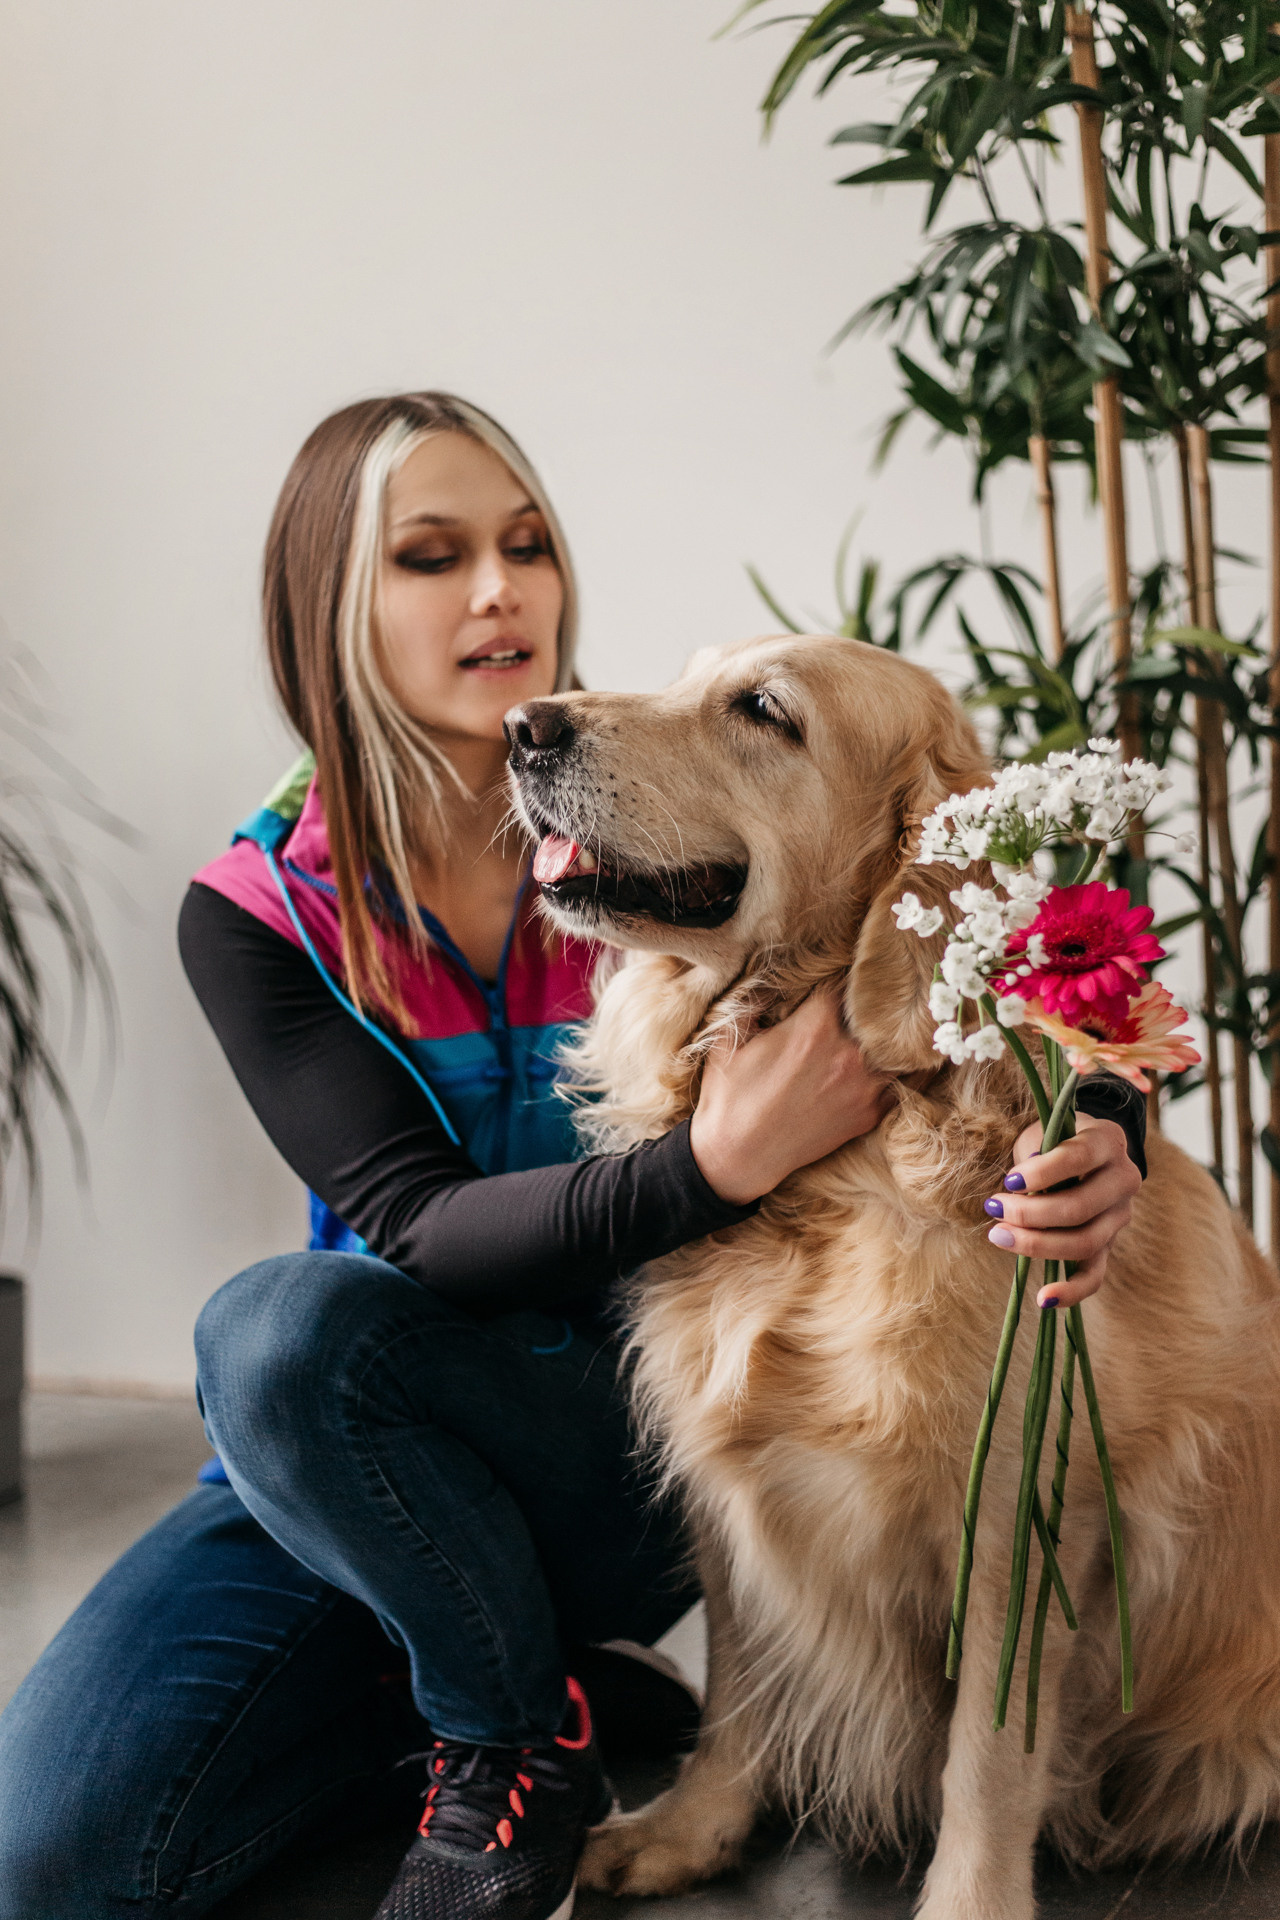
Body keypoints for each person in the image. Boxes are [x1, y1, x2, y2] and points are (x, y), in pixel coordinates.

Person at [0, 392, 1145, 1920]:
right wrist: (709, 1168)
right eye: (430, 555)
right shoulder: (257, 907)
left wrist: (1113, 1129)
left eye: (526, 544)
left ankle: (508, 1746)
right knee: (65, 1858)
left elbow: (1027, 955)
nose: (501, 590)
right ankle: (515, 1690)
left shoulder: (667, 785)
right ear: (327, 611)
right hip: (360, 1456)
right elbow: (415, 1220)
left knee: (282, 1352)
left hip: (626, 1451)